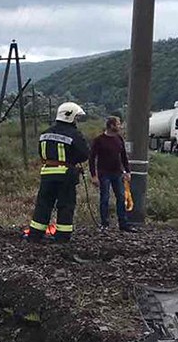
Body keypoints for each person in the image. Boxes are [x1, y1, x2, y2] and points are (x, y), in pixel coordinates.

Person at [28, 102, 90, 243]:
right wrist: (73, 161)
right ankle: (62, 236)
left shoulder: (45, 134)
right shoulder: (74, 134)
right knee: (66, 205)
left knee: (43, 204)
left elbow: (41, 153)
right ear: (70, 116)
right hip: (65, 175)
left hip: (47, 174)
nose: (76, 121)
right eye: (76, 117)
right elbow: (84, 154)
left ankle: (35, 234)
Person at [90, 116, 133, 232]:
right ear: (111, 125)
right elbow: (92, 158)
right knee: (105, 198)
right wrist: (94, 175)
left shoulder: (119, 139)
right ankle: (104, 223)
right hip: (104, 173)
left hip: (117, 173)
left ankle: (123, 223)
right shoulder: (99, 140)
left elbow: (123, 156)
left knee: (121, 197)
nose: (120, 126)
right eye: (118, 124)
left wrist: (127, 171)